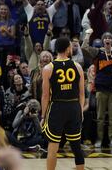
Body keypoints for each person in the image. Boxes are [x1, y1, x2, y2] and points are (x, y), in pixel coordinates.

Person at [41, 37, 85, 170]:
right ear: (67, 49)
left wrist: (43, 116)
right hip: (74, 107)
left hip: (57, 107)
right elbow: (82, 93)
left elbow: (45, 95)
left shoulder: (48, 68)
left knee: (53, 146)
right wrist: (81, 111)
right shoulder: (77, 67)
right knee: (76, 146)